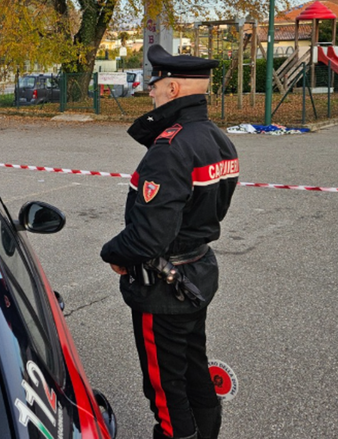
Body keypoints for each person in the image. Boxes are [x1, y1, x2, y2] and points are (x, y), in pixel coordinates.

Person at [100, 44, 238, 439]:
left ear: (174, 89)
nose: (151, 92)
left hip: (164, 288)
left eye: (156, 85)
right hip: (197, 275)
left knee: (165, 391)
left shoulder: (171, 148)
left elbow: (148, 236)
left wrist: (112, 253)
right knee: (195, 370)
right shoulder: (216, 138)